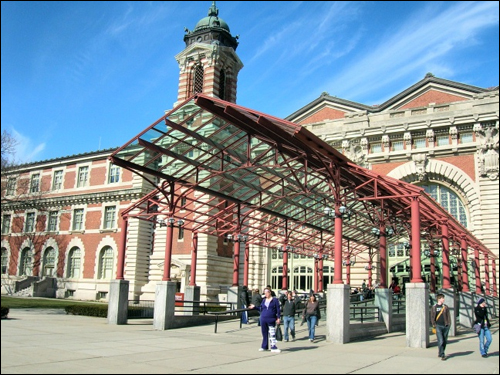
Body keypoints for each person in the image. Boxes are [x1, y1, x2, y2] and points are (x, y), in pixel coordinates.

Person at [249, 287, 281, 353]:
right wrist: (254, 307)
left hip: (271, 318)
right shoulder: (263, 300)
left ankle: (273, 346)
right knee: (264, 333)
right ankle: (264, 346)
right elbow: (261, 308)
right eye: (264, 293)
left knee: (272, 332)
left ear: (270, 292)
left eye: (266, 292)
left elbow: (278, 310)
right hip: (263, 318)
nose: (265, 294)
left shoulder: (275, 300)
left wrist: (278, 318)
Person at [430, 293, 451, 360]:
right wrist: (433, 324)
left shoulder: (445, 307)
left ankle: (441, 351)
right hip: (438, 325)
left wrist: (449, 324)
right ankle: (442, 354)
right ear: (439, 299)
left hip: (445, 325)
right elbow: (432, 316)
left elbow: (448, 316)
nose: (443, 299)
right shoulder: (434, 307)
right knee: (440, 340)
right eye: (442, 298)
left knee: (444, 340)